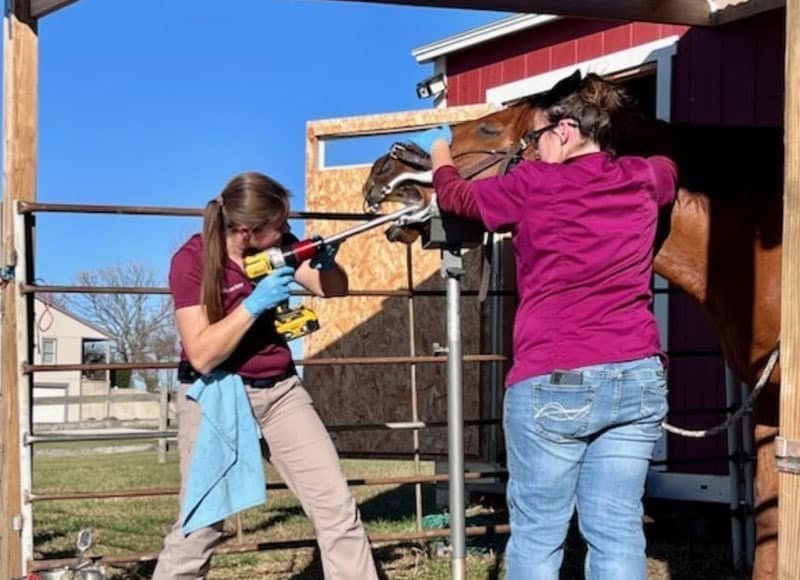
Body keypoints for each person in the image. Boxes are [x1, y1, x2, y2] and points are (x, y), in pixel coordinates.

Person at [409, 72, 678, 580]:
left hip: (555, 376)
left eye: (533, 138)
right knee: (618, 528)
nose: (529, 151)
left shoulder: (533, 184)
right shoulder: (644, 178)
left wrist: (442, 152)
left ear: (565, 130)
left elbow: (460, 199)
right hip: (636, 375)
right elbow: (668, 169)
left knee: (538, 532)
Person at [152, 171, 379, 580]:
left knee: (337, 510)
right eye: (279, 226)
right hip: (216, 395)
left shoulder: (281, 248)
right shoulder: (191, 261)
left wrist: (329, 266)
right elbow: (202, 354)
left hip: (280, 393)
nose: (287, 231)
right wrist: (253, 305)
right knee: (201, 527)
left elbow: (333, 289)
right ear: (245, 231)